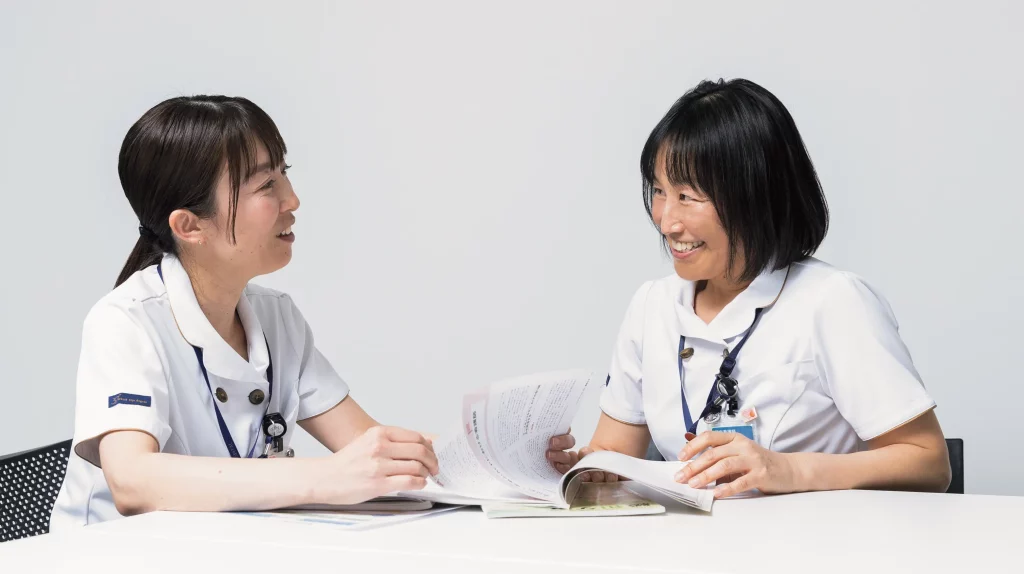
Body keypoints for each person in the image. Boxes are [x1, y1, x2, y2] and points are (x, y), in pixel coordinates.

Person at [51, 95, 572, 527]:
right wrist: (326, 478)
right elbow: (134, 482)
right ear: (190, 226)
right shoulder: (125, 322)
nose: (293, 199)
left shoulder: (276, 317)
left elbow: (367, 446)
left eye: (285, 175)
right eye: (266, 186)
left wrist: (501, 458)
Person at [548, 79, 951, 497]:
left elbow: (928, 461)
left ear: (756, 196)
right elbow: (614, 452)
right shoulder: (652, 305)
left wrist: (788, 470)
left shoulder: (834, 301)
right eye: (660, 191)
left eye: (688, 196)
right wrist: (582, 466)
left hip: (812, 537)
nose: (667, 222)